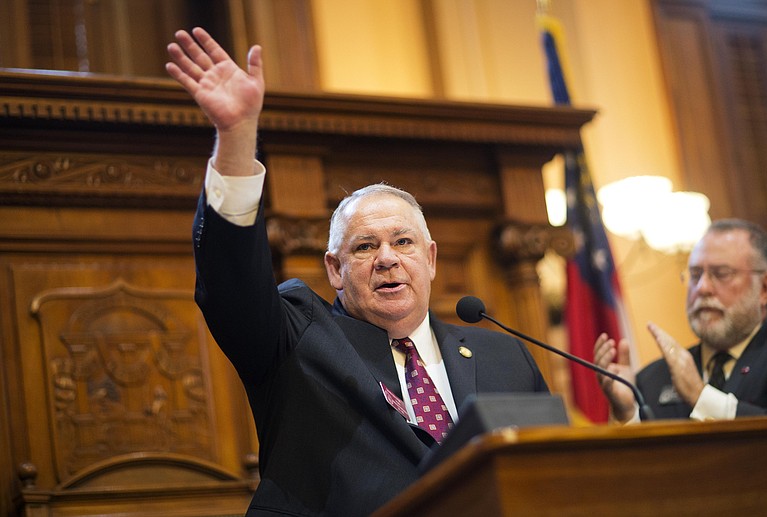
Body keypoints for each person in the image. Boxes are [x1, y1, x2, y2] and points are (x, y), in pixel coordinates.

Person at [166, 27, 549, 516]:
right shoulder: (298, 339)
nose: (387, 258)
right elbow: (230, 284)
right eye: (365, 246)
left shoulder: (505, 357)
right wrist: (237, 137)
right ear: (335, 268)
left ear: (430, 258)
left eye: (403, 242)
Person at [594, 218, 767, 422]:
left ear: (765, 287)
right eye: (695, 274)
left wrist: (701, 397)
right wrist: (627, 414)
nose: (702, 288)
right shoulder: (650, 379)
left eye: (722, 273)